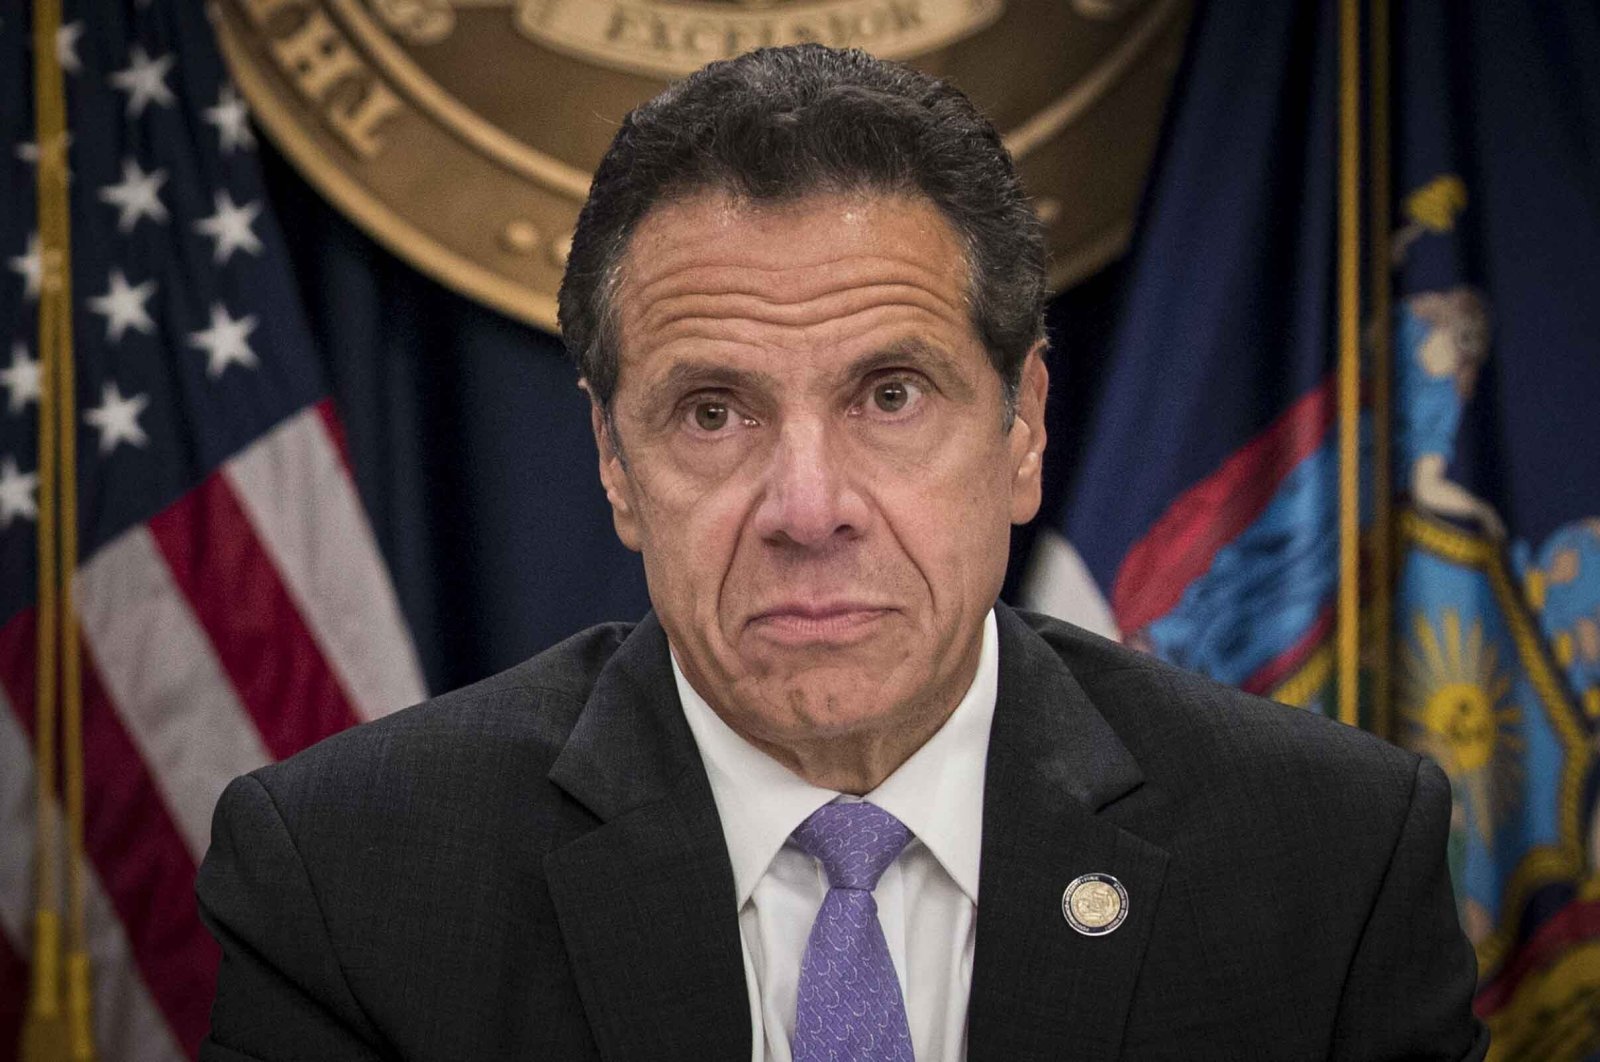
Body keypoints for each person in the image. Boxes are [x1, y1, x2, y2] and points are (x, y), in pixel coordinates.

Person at [197, 44, 1487, 1061]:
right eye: (713, 412)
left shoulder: (1333, 859)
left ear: (1024, 427)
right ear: (612, 462)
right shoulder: (349, 883)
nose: (808, 508)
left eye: (890, 397)